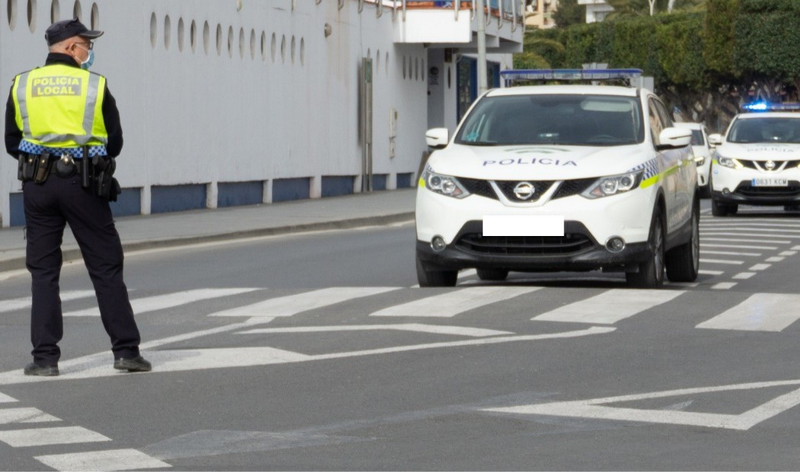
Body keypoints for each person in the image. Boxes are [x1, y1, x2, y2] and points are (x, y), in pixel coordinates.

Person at [4, 18, 151, 376]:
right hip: (83, 185)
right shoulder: (94, 86)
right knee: (105, 267)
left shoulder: (22, 84)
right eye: (87, 44)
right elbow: (114, 142)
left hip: (37, 186)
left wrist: (43, 158)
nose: (90, 51)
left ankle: (44, 359)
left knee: (43, 272)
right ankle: (126, 352)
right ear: (71, 47)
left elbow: (11, 141)